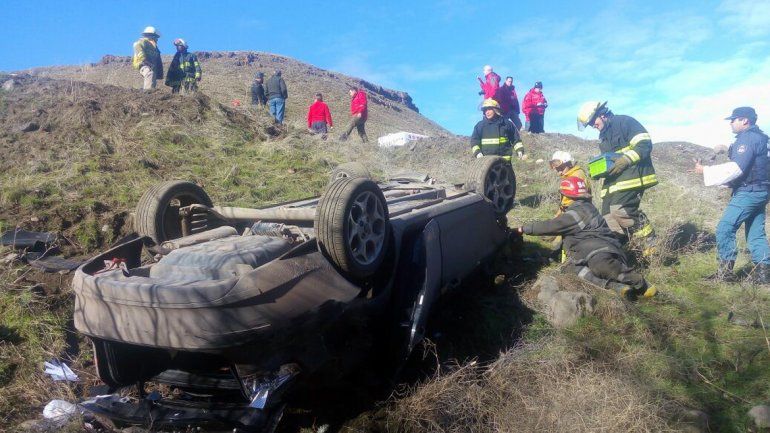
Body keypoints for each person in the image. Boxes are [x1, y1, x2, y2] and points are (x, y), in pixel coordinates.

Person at [514, 176, 657, 299]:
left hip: (603, 250)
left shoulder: (579, 211)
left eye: (563, 195)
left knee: (600, 264)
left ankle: (640, 283)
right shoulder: (578, 209)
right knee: (570, 270)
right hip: (584, 254)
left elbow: (551, 226)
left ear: (568, 196)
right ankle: (614, 287)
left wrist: (524, 229)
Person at [693, 106, 770, 283]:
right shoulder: (763, 138)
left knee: (724, 228)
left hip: (749, 192)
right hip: (762, 191)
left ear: (745, 120)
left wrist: (704, 170)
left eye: (733, 119)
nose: (731, 123)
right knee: (756, 233)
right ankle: (764, 275)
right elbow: (755, 166)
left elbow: (737, 168)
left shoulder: (748, 138)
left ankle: (725, 274)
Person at [577, 101, 658, 254]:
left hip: (633, 176)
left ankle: (651, 243)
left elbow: (645, 144)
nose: (593, 125)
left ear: (602, 114)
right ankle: (622, 251)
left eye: (593, 121)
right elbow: (610, 161)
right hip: (614, 182)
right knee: (608, 217)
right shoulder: (603, 136)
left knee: (621, 210)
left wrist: (626, 160)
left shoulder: (625, 122)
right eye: (589, 124)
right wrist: (598, 171)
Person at [132, 26, 163, 90]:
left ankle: (150, 92)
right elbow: (138, 50)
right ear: (152, 35)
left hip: (150, 66)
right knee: (149, 73)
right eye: (156, 37)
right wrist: (144, 60)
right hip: (143, 64)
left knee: (152, 78)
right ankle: (148, 92)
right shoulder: (141, 42)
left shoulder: (154, 47)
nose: (156, 39)